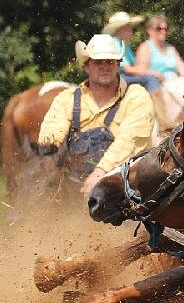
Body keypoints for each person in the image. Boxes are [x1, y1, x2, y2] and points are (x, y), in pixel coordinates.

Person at [37, 34, 154, 195]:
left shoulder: (136, 96)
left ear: (117, 66)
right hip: (75, 186)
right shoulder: (67, 99)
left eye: (110, 62)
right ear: (86, 66)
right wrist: (48, 149)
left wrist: (100, 173)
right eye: (98, 62)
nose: (104, 67)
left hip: (125, 188)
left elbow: (129, 141)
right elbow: (53, 127)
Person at [102, 11, 160, 92]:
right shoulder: (113, 42)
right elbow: (126, 68)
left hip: (123, 77)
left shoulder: (124, 44)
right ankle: (154, 103)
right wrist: (150, 72)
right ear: (119, 29)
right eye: (128, 28)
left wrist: (146, 70)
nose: (131, 31)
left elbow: (135, 64)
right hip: (117, 78)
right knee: (151, 79)